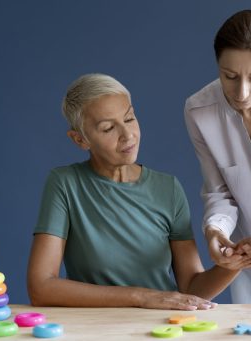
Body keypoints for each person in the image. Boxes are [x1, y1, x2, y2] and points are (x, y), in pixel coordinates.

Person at [27, 73, 244, 310]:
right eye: (108, 128)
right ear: (80, 139)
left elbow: (192, 288)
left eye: (129, 119)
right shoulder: (65, 184)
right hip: (94, 328)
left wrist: (232, 263)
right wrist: (141, 297)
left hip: (160, 328)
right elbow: (41, 287)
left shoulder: (168, 188)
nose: (127, 135)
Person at [185, 9, 251, 304]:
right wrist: (215, 231)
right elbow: (220, 190)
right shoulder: (200, 111)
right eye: (230, 76)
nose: (242, 93)